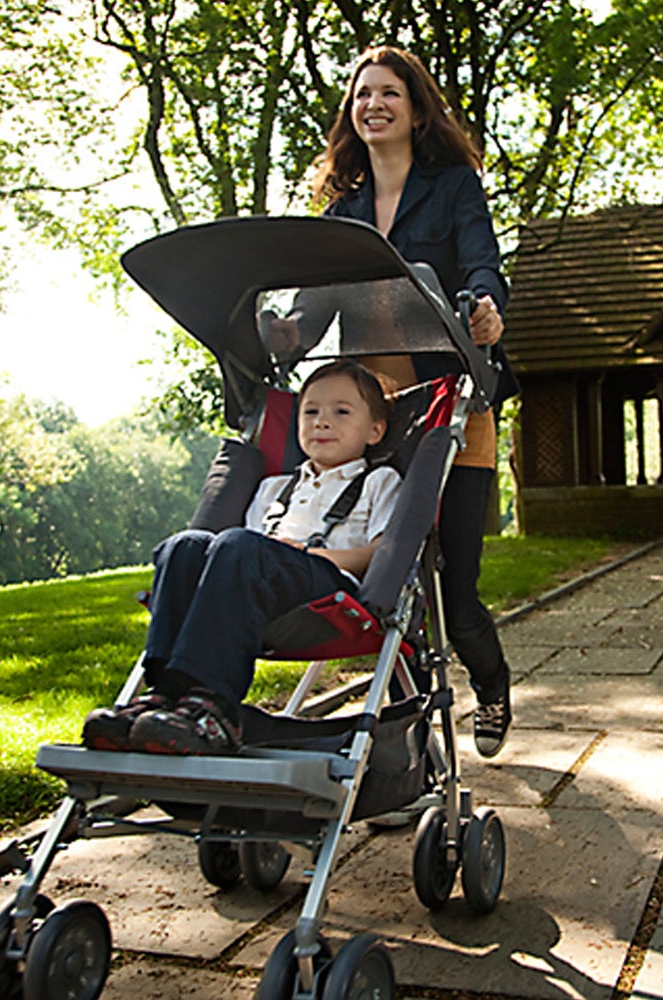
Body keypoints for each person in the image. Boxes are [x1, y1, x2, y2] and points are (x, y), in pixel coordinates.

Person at [310, 45, 518, 758]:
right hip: (379, 418)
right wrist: (279, 329)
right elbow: (316, 306)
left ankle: (492, 684)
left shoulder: (455, 187)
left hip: (455, 407)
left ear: (416, 107)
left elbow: (483, 261)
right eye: (362, 94)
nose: (374, 104)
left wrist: (488, 307)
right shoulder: (344, 212)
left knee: (456, 600)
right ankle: (407, 749)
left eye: (389, 93)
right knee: (392, 591)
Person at [82, 360, 401, 756]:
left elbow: (378, 554)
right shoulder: (274, 488)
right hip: (254, 586)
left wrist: (305, 552)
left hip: (327, 588)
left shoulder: (378, 481)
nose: (322, 422)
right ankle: (164, 697)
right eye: (310, 411)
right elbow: (236, 550)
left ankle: (216, 705)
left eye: (341, 411)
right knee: (184, 545)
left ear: (375, 430)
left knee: (238, 545)